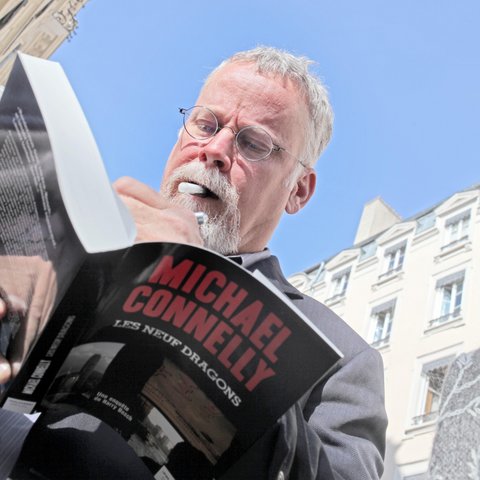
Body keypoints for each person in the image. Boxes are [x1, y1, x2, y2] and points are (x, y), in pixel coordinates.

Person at [0, 46, 387, 479]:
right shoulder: (85, 242)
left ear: (298, 189)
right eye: (205, 124)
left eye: (253, 143)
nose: (215, 149)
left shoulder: (344, 358)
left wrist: (199, 293)